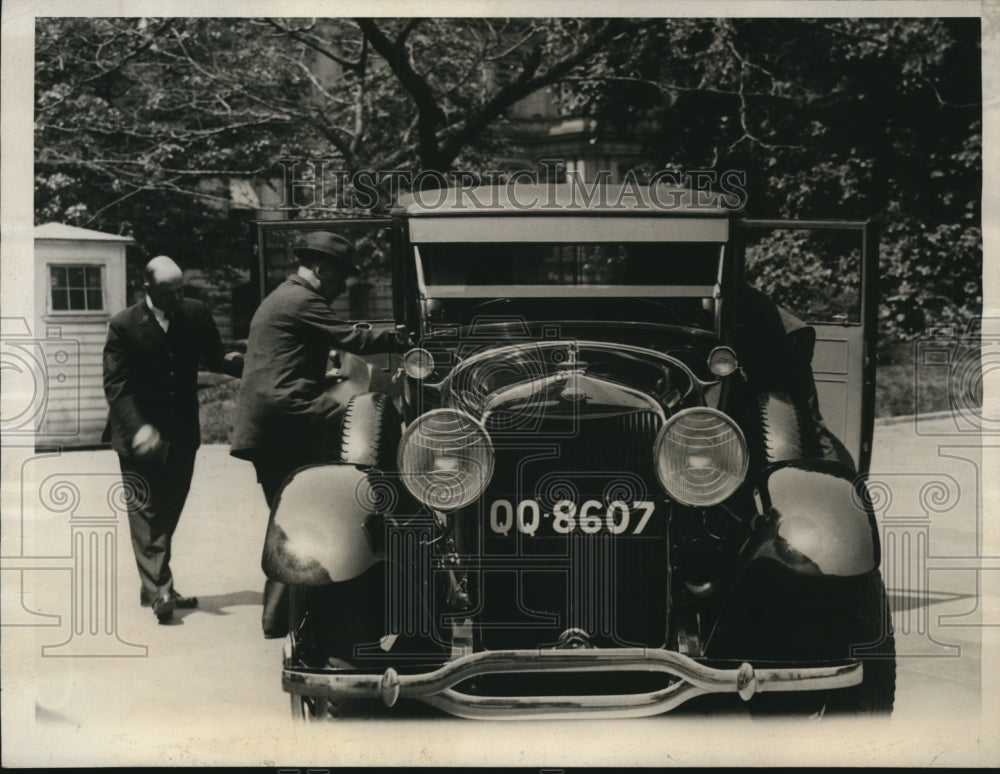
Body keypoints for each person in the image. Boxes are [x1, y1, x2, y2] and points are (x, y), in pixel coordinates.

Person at [230, 231, 407, 638]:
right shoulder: (301, 299)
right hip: (287, 419)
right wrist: (405, 335)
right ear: (320, 268)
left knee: (290, 518)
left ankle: (278, 619)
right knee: (368, 414)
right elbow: (354, 339)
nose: (343, 287)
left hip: (269, 424)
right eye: (341, 276)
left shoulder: (282, 297)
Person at [103, 255, 243, 624]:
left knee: (168, 509)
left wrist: (245, 362)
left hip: (181, 433)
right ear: (148, 289)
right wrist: (138, 428)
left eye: (181, 290)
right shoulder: (124, 325)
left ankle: (152, 584)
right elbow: (117, 386)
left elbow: (215, 356)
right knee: (146, 512)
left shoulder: (195, 313)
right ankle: (161, 591)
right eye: (169, 293)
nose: (177, 298)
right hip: (137, 435)